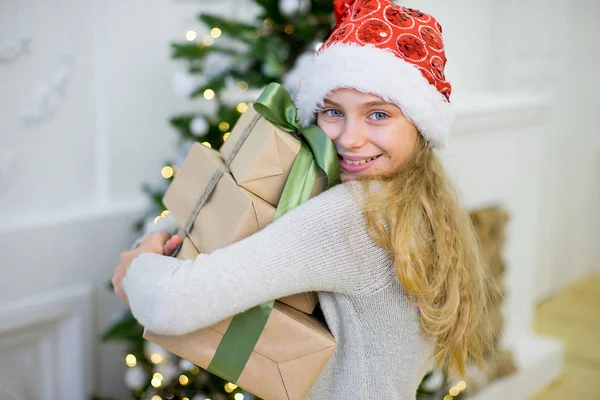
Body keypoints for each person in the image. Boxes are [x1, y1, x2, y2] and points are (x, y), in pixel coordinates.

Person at [112, 0, 500, 398]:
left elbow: (170, 304)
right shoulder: (414, 199)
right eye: (333, 112)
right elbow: (241, 218)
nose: (350, 138)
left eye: (378, 115)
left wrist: (138, 266)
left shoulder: (356, 214)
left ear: (420, 125)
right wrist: (164, 232)